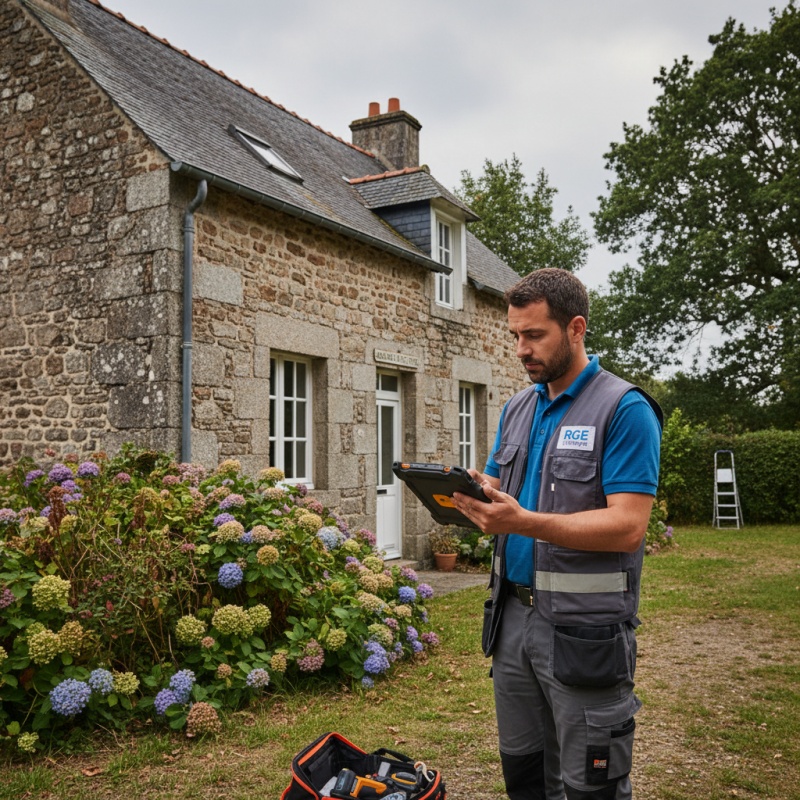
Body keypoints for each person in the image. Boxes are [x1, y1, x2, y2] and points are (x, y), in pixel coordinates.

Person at [453, 268, 662, 800]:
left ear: (575, 328)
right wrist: (469, 490)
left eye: (534, 335)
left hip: (582, 635)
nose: (521, 349)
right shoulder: (517, 408)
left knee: (591, 786)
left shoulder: (625, 409)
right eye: (514, 336)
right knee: (525, 778)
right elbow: (499, 486)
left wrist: (522, 521)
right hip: (512, 623)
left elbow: (628, 526)